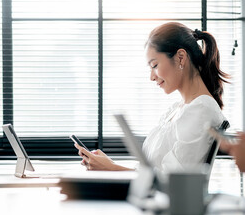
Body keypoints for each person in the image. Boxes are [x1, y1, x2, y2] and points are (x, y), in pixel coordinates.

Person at [75, 22, 229, 173]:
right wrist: (109, 165)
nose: (151, 77)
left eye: (154, 65)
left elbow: (172, 183)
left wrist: (111, 168)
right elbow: (152, 172)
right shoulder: (177, 109)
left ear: (181, 57)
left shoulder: (201, 109)